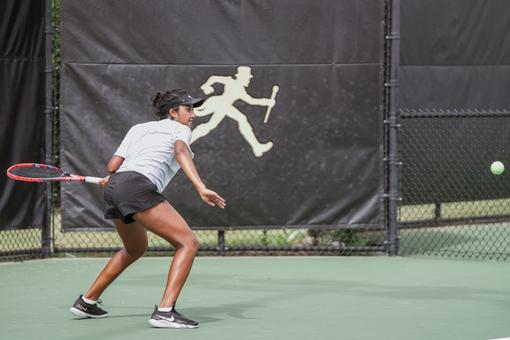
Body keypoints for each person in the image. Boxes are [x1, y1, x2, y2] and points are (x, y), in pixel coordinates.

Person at [69, 88, 226, 329]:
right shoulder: (180, 129)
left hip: (115, 187)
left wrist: (114, 178)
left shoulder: (138, 129)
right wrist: (201, 187)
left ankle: (86, 302)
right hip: (136, 186)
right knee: (188, 243)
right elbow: (181, 151)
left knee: (134, 248)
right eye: (188, 109)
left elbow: (113, 166)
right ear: (173, 112)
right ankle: (165, 311)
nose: (193, 115)